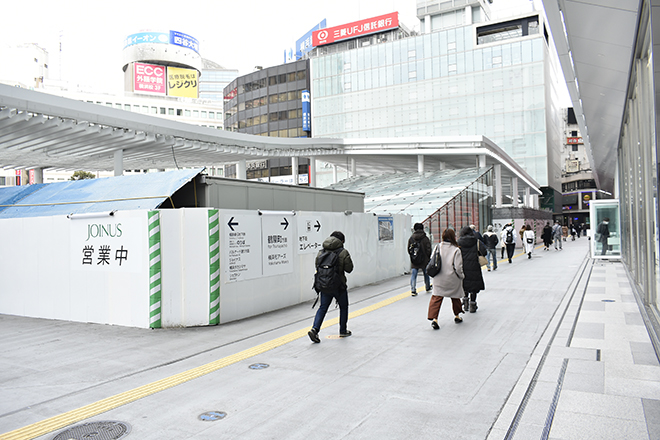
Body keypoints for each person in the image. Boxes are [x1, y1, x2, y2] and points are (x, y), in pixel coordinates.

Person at [308, 231, 354, 343]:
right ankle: (343, 330)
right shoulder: (343, 252)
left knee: (323, 308)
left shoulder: (321, 252)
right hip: (339, 286)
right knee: (343, 307)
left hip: (324, 286)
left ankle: (315, 329)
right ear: (342, 241)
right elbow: (349, 269)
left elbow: (317, 267)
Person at [428, 228, 465, 329]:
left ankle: (434, 319)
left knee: (436, 297)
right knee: (455, 296)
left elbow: (432, 259)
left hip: (439, 277)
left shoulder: (438, 247)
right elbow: (458, 267)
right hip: (452, 278)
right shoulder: (456, 249)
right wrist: (461, 276)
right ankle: (457, 315)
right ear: (453, 237)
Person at [457, 226, 486, 313]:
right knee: (474, 286)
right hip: (474, 266)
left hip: (463, 266)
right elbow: (484, 252)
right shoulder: (476, 241)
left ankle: (465, 302)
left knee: (465, 284)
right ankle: (473, 304)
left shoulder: (459, 242)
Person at [408, 223, 432, 296]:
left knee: (414, 274)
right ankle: (427, 286)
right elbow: (428, 249)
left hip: (414, 260)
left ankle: (413, 289)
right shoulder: (425, 238)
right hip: (424, 259)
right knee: (426, 273)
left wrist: (413, 256)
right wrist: (427, 257)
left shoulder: (411, 238)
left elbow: (409, 249)